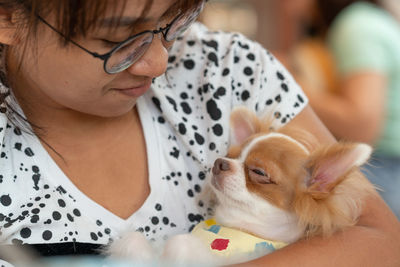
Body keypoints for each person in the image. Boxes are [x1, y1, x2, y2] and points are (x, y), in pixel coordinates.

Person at [0, 0, 398, 266]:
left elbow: (382, 240)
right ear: (8, 17)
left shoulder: (227, 68)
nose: (158, 63)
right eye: (116, 39)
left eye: (177, 22)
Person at [301, 0, 400, 219]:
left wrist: (289, 85)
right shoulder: (371, 18)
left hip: (387, 169)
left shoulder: (357, 25)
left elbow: (361, 125)